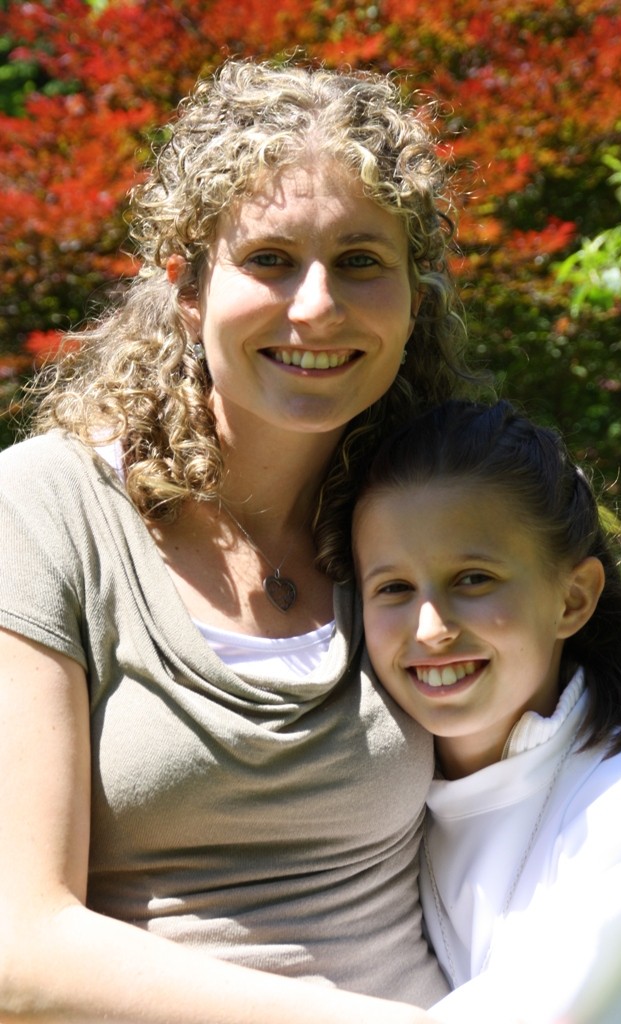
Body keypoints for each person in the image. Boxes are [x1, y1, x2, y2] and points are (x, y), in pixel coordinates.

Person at [0, 58, 470, 1023]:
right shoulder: (43, 511)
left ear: (412, 299)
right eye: (268, 260)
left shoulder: (443, 517)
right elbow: (20, 951)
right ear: (185, 287)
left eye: (360, 261)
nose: (315, 307)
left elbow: (570, 770)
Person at [352, 399, 621, 1024]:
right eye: (394, 588)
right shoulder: (378, 809)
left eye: (473, 579)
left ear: (573, 598)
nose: (431, 628)